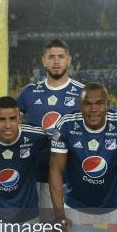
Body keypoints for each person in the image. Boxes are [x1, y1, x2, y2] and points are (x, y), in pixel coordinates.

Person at [49, 82, 117, 232]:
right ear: (80, 105)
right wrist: (59, 215)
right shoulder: (66, 124)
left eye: (99, 103)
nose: (93, 109)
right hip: (73, 209)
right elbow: (55, 170)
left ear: (108, 104)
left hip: (113, 210)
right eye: (87, 104)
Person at [17, 38, 84, 210]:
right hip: (33, 178)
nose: (56, 61)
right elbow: (5, 120)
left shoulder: (83, 93)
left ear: (68, 60)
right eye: (51, 56)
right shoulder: (29, 92)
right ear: (43, 60)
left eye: (61, 56)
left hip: (72, 179)